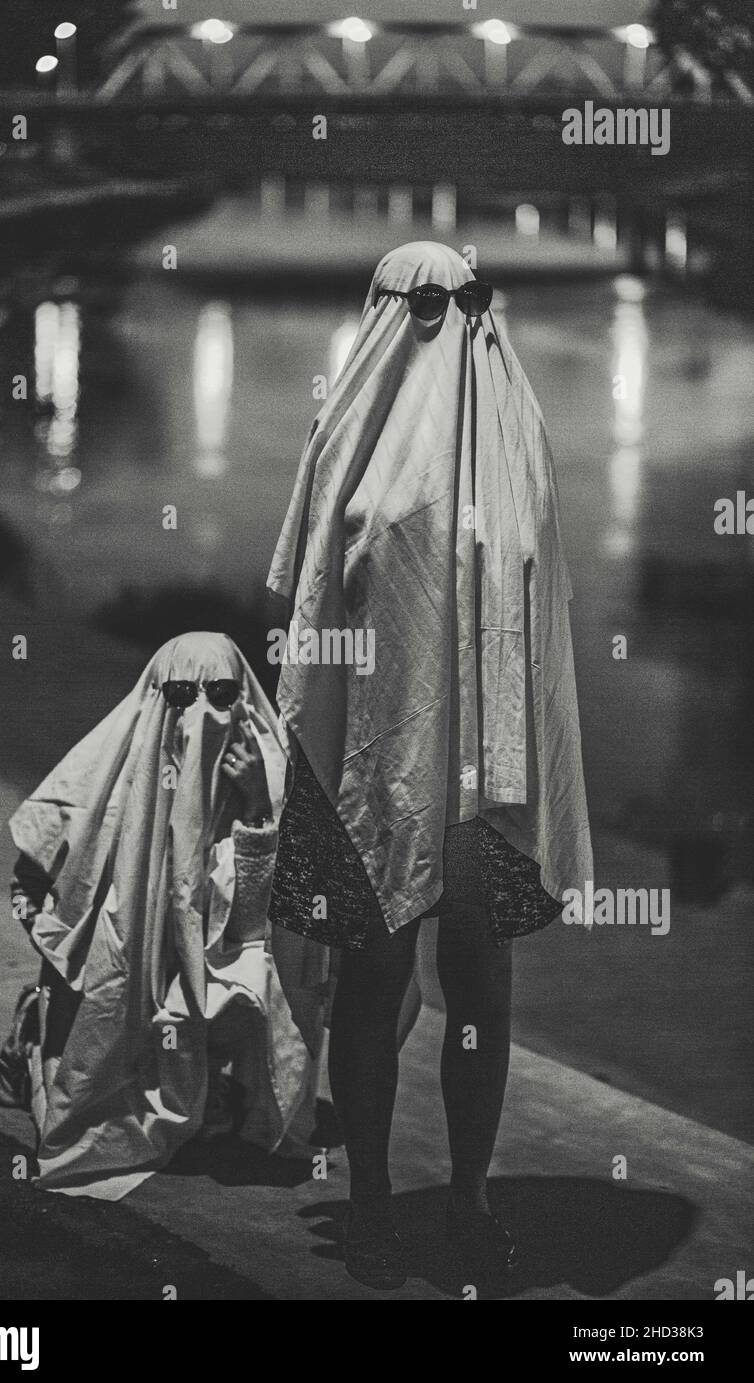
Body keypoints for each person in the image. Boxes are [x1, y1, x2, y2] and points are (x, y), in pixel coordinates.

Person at [266, 241, 593, 1289]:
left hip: (457, 780)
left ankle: (458, 1195)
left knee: (469, 989)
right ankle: (388, 1198)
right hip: (396, 769)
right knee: (388, 981)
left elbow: (309, 587)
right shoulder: (471, 433)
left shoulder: (469, 437)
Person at [0, 632, 325, 1200]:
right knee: (90, 1109)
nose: (201, 712)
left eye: (220, 693)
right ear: (154, 694)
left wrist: (258, 809)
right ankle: (42, 1038)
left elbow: (255, 925)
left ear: (243, 696)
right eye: (180, 693)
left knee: (284, 976)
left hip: (219, 967)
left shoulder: (269, 774)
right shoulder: (107, 774)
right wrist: (71, 944)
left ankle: (212, 1091)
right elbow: (31, 874)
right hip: (125, 981)